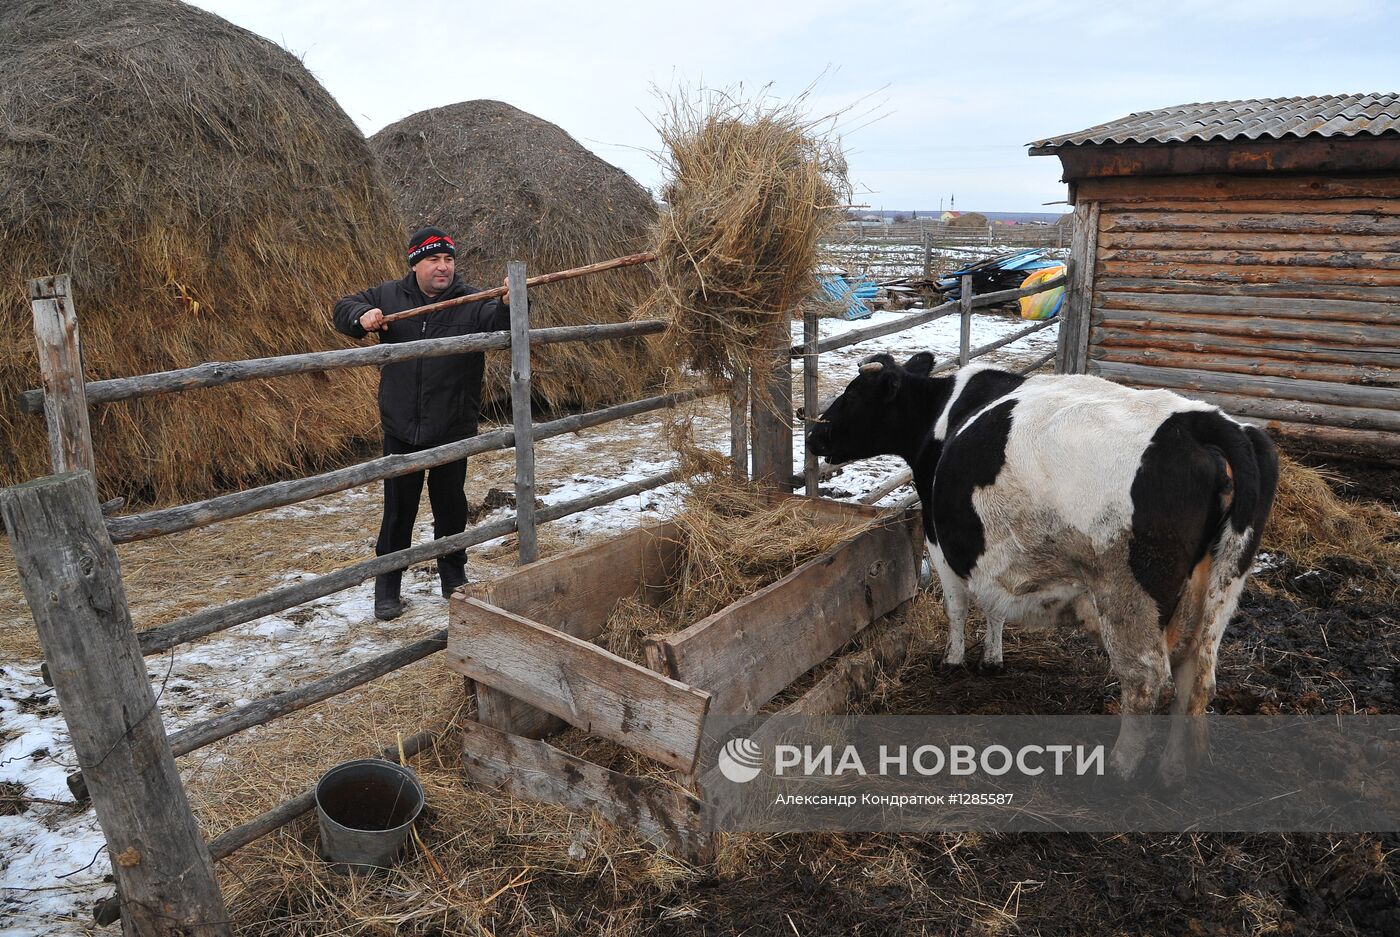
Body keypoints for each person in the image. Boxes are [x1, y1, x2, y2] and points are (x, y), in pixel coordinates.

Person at [333, 226, 512, 620]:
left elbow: (500, 322)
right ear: (415, 264)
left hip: (451, 424)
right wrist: (362, 316)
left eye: (448, 259)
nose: (443, 267)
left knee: (450, 506)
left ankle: (453, 577)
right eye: (433, 260)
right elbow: (342, 309)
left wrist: (511, 301)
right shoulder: (388, 296)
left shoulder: (470, 301)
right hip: (401, 425)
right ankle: (388, 585)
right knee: (398, 509)